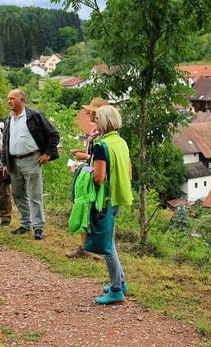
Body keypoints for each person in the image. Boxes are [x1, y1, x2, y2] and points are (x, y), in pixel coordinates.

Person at [1, 89, 60, 240]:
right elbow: (5, 142)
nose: (9, 101)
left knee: (35, 195)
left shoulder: (34, 115)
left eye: (12, 98)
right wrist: (5, 163)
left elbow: (54, 134)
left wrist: (47, 153)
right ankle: (25, 224)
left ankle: (38, 227)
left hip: (31, 159)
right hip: (14, 161)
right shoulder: (9, 119)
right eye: (8, 98)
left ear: (22, 100)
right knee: (18, 194)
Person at [91, 105, 133, 305]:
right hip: (119, 195)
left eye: (97, 118)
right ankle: (120, 281)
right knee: (111, 241)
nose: (95, 121)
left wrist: (82, 170)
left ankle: (116, 289)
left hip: (105, 199)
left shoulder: (101, 146)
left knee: (107, 245)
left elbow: (98, 178)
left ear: (104, 122)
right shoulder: (121, 142)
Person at [67, 97, 109, 259]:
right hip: (89, 172)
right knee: (84, 208)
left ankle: (97, 249)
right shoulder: (93, 132)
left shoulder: (103, 134)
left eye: (91, 111)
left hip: (97, 175)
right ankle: (85, 247)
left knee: (97, 212)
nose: (87, 113)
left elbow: (101, 158)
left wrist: (86, 157)